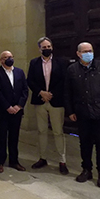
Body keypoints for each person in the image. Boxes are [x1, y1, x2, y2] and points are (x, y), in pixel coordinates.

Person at [64, 42, 100, 188]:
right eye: (85, 51)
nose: (88, 53)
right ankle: (86, 169)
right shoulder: (72, 70)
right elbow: (67, 93)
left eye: (90, 50)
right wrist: (70, 111)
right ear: (78, 54)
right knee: (85, 144)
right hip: (82, 113)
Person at [27, 37, 69, 175]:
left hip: (55, 101)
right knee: (41, 131)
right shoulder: (34, 63)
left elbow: (64, 81)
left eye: (49, 46)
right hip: (40, 101)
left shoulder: (61, 62)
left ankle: (62, 161)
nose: (47, 49)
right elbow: (30, 80)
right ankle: (42, 158)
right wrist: (41, 93)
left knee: (58, 132)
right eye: (44, 47)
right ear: (39, 48)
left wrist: (50, 94)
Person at [0, 51, 28, 173]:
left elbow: (25, 90)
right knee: (1, 137)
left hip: (17, 111)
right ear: (1, 60)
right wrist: (7, 106)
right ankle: (0, 162)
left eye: (11, 57)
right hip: (3, 111)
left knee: (14, 137)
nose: (9, 59)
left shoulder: (19, 72)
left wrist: (19, 106)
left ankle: (14, 161)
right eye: (6, 57)